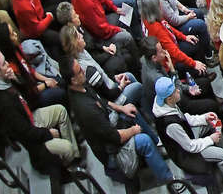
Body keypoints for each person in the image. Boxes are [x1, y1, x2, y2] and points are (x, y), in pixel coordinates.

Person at [63, 55, 174, 183]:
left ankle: (157, 143)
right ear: (73, 80)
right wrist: (134, 130)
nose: (83, 71)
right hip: (111, 151)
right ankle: (170, 180)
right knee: (144, 141)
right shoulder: (86, 109)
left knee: (131, 110)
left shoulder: (81, 87)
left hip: (110, 125)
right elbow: (115, 137)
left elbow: (102, 101)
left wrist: (122, 108)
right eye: (79, 71)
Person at [152, 75, 223, 187]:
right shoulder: (170, 124)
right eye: (175, 91)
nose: (178, 90)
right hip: (186, 154)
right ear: (169, 98)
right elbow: (190, 147)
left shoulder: (167, 104)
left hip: (188, 136)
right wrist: (210, 139)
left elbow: (184, 118)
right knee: (222, 156)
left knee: (213, 121)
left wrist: (204, 118)